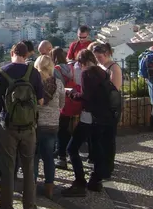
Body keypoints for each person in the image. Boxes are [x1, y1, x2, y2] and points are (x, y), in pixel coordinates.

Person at [0, 42, 44, 209]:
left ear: (12, 52)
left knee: (8, 167)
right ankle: (30, 208)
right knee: (29, 167)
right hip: (29, 127)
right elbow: (41, 100)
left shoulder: (2, 72)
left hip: (8, 126)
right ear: (26, 55)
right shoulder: (34, 72)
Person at [62, 50, 114, 197]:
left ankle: (80, 182)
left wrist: (71, 94)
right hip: (103, 117)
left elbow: (86, 96)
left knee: (72, 148)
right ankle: (96, 181)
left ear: (81, 62)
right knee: (97, 148)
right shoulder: (102, 72)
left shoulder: (86, 74)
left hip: (89, 117)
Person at [34, 55, 65, 199]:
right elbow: (62, 104)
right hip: (52, 124)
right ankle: (49, 187)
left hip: (36, 124)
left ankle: (32, 185)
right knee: (48, 157)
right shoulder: (58, 83)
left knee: (33, 157)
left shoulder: (34, 83)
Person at [92, 43, 122, 178]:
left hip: (110, 108)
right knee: (100, 139)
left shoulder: (114, 68)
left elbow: (115, 89)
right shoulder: (100, 66)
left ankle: (108, 167)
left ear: (106, 54)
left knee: (109, 139)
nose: (97, 60)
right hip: (100, 107)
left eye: (99, 57)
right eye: (96, 57)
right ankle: (101, 165)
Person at [52, 47, 82, 170]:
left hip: (63, 104)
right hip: (74, 101)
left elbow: (56, 88)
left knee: (61, 130)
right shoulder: (72, 67)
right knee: (71, 128)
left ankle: (62, 157)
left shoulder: (56, 69)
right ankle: (70, 152)